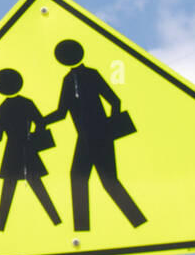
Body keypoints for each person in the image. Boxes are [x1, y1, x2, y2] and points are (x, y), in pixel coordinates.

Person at [42, 39, 146, 232]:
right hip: (87, 138)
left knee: (103, 180)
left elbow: (114, 101)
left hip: (97, 136)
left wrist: (109, 127)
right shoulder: (68, 80)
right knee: (86, 178)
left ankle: (136, 221)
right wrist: (41, 121)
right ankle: (85, 229)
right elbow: (62, 112)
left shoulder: (90, 75)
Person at [0, 68, 61, 231]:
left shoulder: (4, 106)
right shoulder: (27, 103)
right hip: (28, 148)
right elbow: (41, 122)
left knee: (9, 190)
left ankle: (0, 228)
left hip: (12, 151)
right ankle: (56, 221)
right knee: (36, 186)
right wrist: (34, 137)